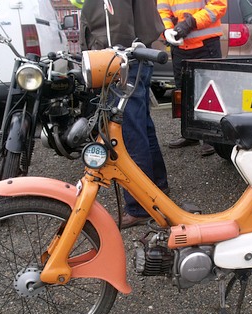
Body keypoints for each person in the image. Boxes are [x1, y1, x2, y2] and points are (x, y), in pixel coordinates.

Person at [79, 0, 169, 229]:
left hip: (122, 57)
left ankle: (140, 207)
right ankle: (156, 187)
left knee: (129, 134)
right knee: (142, 127)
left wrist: (108, 52)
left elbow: (111, 21)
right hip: (140, 52)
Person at [157, 0, 227, 157]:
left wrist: (190, 22)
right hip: (180, 46)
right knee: (183, 91)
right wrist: (167, 30)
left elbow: (218, 5)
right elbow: (162, 11)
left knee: (210, 93)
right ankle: (190, 134)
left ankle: (210, 137)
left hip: (206, 45)